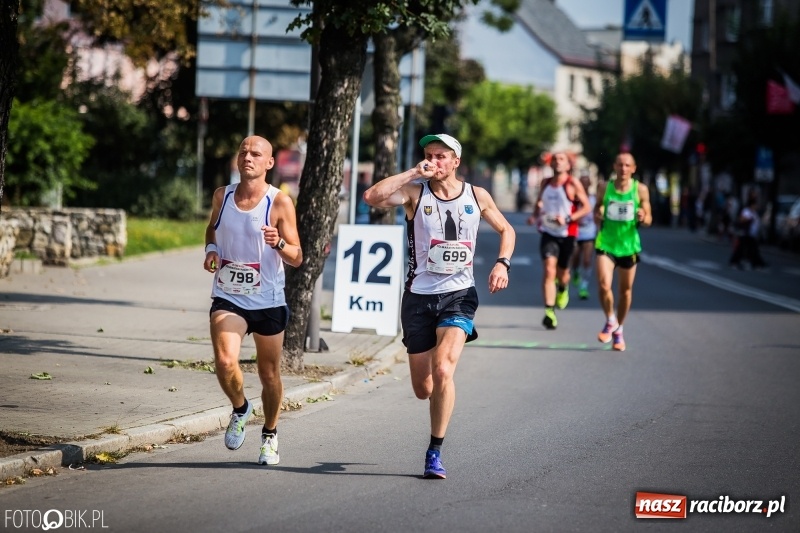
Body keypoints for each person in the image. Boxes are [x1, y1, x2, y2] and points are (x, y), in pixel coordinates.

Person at [363, 133, 515, 479]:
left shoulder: (477, 196)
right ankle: (433, 395)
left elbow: (507, 230)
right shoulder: (416, 192)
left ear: (456, 161)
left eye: (442, 156)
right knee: (424, 389)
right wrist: (411, 172)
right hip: (418, 297)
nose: (434, 161)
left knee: (444, 370)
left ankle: (435, 451)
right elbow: (371, 197)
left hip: (459, 294)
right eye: (430, 155)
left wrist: (501, 263)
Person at [203, 135, 303, 465]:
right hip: (229, 296)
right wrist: (212, 251)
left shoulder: (279, 203)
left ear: (269, 163)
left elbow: (297, 256)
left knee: (269, 374)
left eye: (256, 153)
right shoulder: (223, 195)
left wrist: (278, 244)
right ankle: (240, 407)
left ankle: (270, 435)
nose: (248, 157)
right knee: (226, 360)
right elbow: (212, 229)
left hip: (269, 300)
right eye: (243, 151)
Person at [526, 151, 591, 329]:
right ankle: (549, 311)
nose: (557, 162)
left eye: (561, 159)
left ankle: (563, 288)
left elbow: (586, 207)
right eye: (555, 159)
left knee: (563, 273)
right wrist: (534, 215)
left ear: (568, 165)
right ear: (551, 164)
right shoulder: (545, 182)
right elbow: (539, 202)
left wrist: (568, 218)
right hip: (548, 232)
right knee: (549, 270)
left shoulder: (572, 183)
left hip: (567, 234)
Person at [594, 152, 652, 352]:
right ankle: (610, 320)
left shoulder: (640, 189)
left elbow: (648, 219)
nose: (623, 169)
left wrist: (643, 216)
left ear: (633, 168)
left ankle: (619, 329)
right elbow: (596, 210)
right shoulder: (604, 187)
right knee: (603, 285)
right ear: (614, 166)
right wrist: (599, 212)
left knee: (625, 292)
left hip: (629, 246)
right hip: (606, 243)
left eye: (627, 165)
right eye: (620, 165)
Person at [568, 170, 597, 300]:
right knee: (575, 258)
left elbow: (597, 214)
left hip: (589, 231)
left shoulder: (593, 199)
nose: (584, 185)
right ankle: (575, 272)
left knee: (587, 260)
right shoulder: (574, 198)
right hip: (576, 231)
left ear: (589, 184)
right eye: (582, 183)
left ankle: (584, 286)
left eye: (586, 183)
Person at [729, 193, 768, 270]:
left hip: (751, 235)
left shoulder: (754, 213)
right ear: (752, 205)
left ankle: (756, 263)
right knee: (741, 249)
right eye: (755, 205)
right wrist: (748, 220)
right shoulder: (746, 211)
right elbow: (742, 220)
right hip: (745, 234)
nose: (756, 206)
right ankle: (735, 262)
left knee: (753, 249)